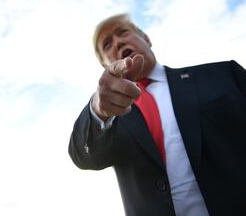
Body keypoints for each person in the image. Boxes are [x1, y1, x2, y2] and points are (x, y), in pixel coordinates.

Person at [68, 13, 246, 216]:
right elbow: (84, 157)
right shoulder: (110, 120)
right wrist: (99, 109)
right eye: (107, 44)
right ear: (105, 64)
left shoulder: (222, 75)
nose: (117, 42)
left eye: (123, 32)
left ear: (146, 39)